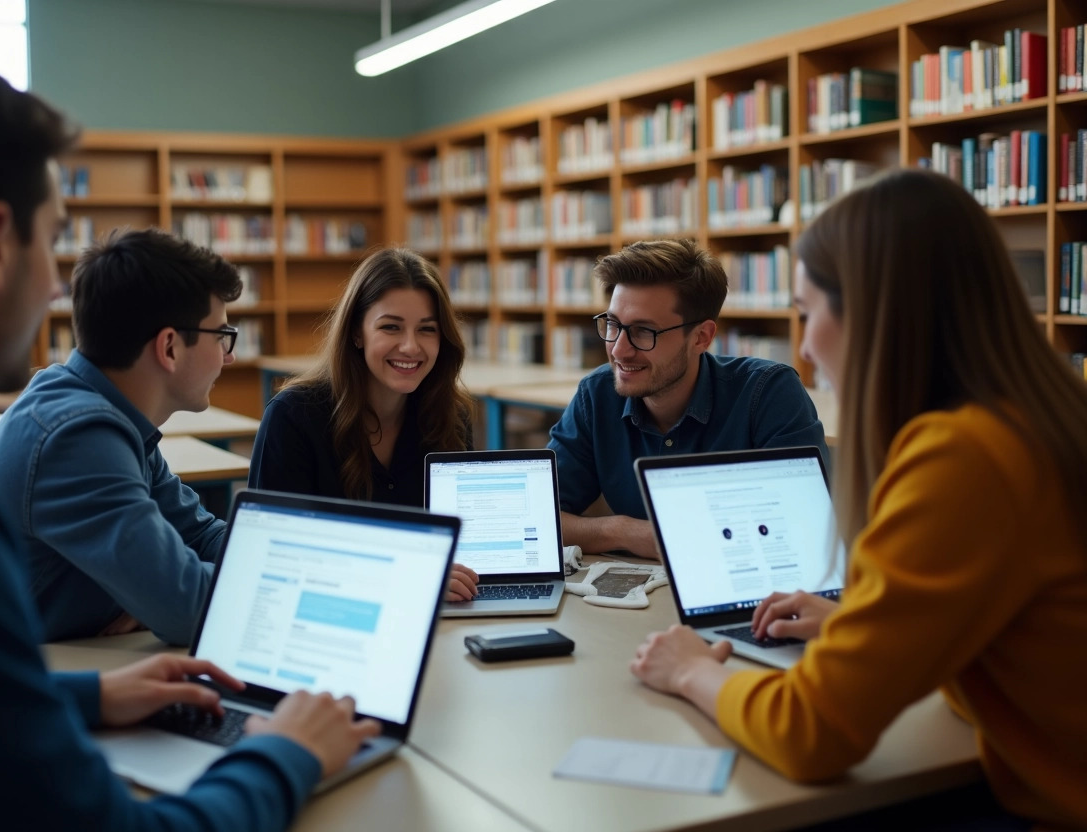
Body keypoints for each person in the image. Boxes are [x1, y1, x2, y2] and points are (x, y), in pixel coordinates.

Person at [0, 41, 377, 830]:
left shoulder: (92, 418)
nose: (52, 285)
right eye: (49, 237)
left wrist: (85, 692)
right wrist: (290, 750)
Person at [630, 169, 1087, 829]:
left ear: (875, 313)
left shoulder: (962, 458)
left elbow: (812, 734)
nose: (808, 348)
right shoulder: (1042, 419)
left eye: (809, 313)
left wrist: (691, 670)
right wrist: (864, 626)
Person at [0, 228, 241, 645]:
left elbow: (198, 534)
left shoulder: (106, 411)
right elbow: (185, 608)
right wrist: (157, 595)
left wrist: (281, 563)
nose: (230, 355)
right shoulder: (79, 436)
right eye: (222, 335)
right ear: (169, 347)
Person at [547, 239, 828, 559]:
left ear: (701, 337)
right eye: (612, 324)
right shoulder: (597, 395)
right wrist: (624, 531)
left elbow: (807, 523)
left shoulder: (767, 394)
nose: (618, 349)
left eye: (643, 331)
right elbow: (537, 518)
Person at [249, 247, 480, 601]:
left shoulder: (450, 416)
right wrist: (410, 576)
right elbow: (275, 557)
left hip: (435, 613)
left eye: (427, 330)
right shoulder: (293, 418)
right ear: (357, 332)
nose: (410, 346)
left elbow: (460, 543)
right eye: (391, 327)